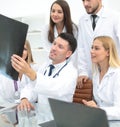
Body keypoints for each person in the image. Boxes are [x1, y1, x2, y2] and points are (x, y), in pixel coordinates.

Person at [11, 33, 78, 123]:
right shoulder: (46, 66)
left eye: (60, 47)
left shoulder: (71, 72)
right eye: (54, 43)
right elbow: (32, 86)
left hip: (59, 121)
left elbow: (55, 89)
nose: (54, 48)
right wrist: (25, 98)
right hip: (41, 118)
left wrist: (29, 72)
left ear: (68, 53)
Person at [77, 0, 120, 87]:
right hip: (91, 75)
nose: (85, 4)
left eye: (88, 0)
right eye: (83, 0)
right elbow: (81, 48)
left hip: (112, 73)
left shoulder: (115, 17)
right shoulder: (82, 20)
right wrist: (82, 72)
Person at [82, 36, 120, 126]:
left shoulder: (117, 75)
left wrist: (98, 109)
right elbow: (99, 103)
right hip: (100, 121)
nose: (92, 51)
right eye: (92, 47)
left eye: (96, 48)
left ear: (108, 52)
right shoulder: (96, 74)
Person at [41, 0, 78, 68]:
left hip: (70, 65)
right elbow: (48, 50)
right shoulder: (46, 29)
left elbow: (75, 52)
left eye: (59, 12)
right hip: (51, 64)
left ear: (65, 14)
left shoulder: (74, 29)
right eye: (53, 11)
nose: (55, 14)